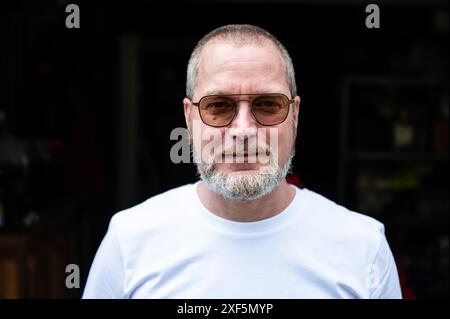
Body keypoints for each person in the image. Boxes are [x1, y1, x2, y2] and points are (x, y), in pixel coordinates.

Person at [83, 24, 402, 299]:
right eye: (219, 106)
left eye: (267, 104)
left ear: (295, 115)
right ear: (189, 117)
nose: (244, 130)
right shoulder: (129, 240)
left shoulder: (363, 246)